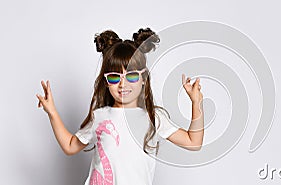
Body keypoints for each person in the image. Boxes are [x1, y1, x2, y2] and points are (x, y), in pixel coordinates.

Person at [36, 28, 204, 185]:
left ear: (143, 77)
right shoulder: (100, 116)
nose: (123, 84)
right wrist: (52, 112)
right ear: (106, 82)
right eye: (115, 78)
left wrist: (196, 103)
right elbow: (70, 146)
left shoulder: (153, 117)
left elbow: (194, 142)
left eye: (131, 76)